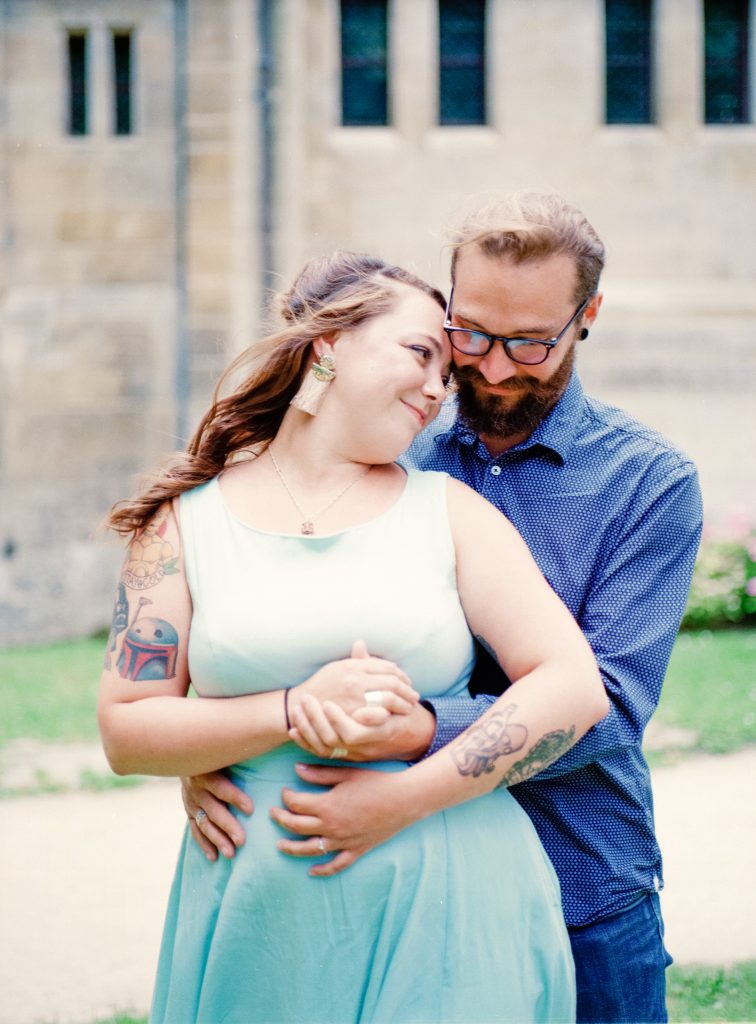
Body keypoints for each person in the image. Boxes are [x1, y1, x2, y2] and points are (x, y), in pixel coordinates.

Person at [182, 194, 703, 1024]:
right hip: (400, 885)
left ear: (587, 315)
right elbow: (279, 614)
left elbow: (608, 706)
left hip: (580, 879)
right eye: (473, 335)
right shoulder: (392, 444)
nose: (494, 368)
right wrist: (214, 745)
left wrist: (420, 730)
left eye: (531, 343)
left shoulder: (647, 483)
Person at [98, 250, 607, 1024]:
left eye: (447, 370)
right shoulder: (183, 526)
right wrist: (293, 709)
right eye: (420, 353)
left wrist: (400, 800)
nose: (441, 388)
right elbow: (127, 730)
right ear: (326, 346)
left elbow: (574, 686)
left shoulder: (450, 511)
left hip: (455, 902)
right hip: (263, 924)